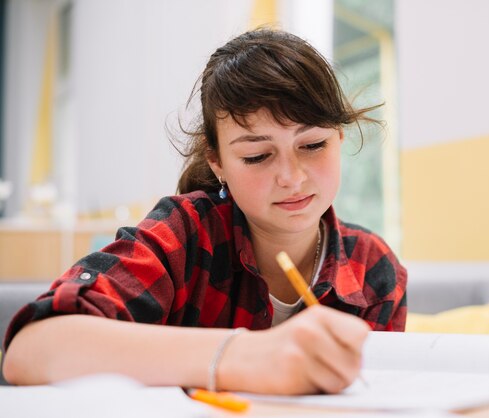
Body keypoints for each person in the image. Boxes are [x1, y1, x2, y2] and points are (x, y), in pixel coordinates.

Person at [2, 29, 407, 395]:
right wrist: (244, 355)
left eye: (313, 145)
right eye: (257, 155)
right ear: (217, 162)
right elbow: (31, 349)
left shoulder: (372, 269)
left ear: (338, 138)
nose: (291, 177)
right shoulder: (185, 235)